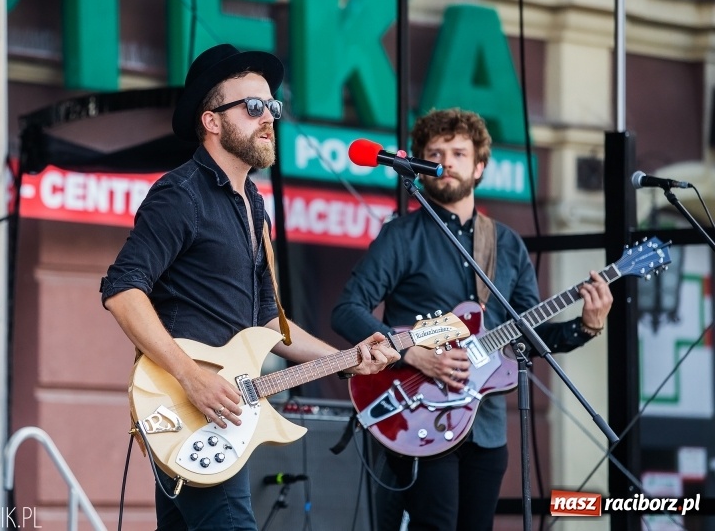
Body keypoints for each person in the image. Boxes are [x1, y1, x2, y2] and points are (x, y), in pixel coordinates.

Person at [100, 44, 400, 531]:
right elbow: (123, 290)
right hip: (191, 401)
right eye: (253, 106)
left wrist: (345, 358)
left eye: (272, 106)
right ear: (212, 121)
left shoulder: (253, 206)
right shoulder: (181, 193)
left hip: (211, 417)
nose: (269, 118)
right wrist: (191, 377)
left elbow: (267, 323)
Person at [331, 108, 613, 531]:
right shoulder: (402, 237)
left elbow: (527, 338)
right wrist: (412, 354)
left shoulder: (506, 244)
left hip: (485, 425)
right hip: (419, 414)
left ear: (479, 165)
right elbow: (347, 311)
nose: (445, 161)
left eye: (459, 153)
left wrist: (587, 325)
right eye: (435, 152)